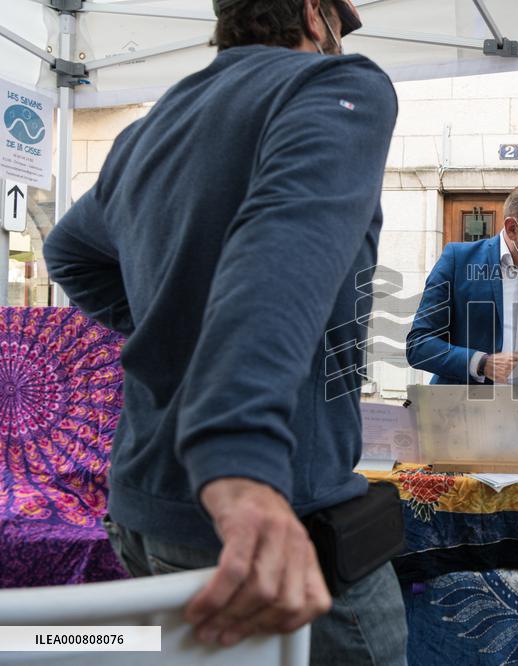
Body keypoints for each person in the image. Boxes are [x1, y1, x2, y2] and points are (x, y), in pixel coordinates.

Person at [43, 1, 407, 663]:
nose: (344, 41)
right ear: (313, 12)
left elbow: (69, 252)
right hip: (261, 510)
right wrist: (238, 458)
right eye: (343, 23)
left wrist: (166, 325)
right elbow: (283, 244)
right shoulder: (334, 86)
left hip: (145, 506)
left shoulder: (151, 129)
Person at [405, 182, 518, 457]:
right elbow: (418, 346)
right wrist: (482, 363)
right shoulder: (458, 262)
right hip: (461, 426)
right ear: (512, 228)